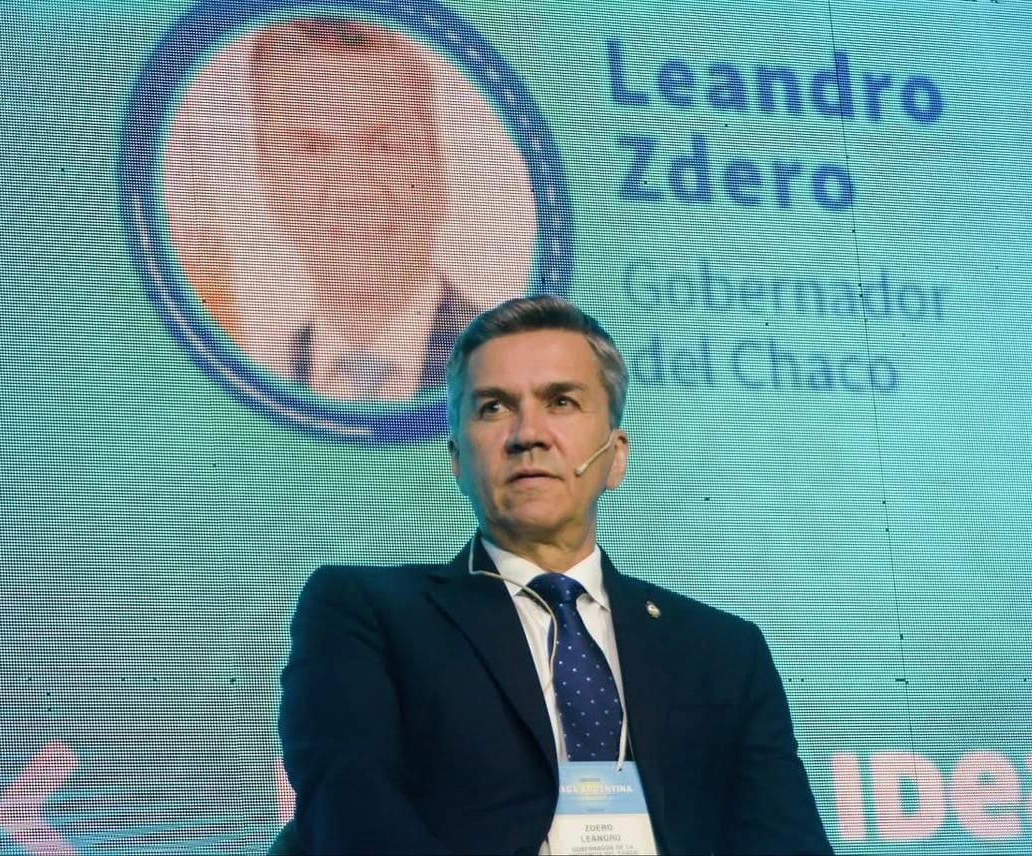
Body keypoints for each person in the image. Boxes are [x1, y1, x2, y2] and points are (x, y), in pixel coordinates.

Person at [273, 295, 832, 854]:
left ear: (615, 456)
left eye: (561, 402)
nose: (528, 434)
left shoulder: (722, 651)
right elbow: (354, 820)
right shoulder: (367, 613)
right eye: (494, 407)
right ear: (458, 459)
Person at [172, 18, 481, 400]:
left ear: (436, 165)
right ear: (268, 176)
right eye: (312, 149)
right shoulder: (243, 382)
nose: (352, 188)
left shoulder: (507, 361)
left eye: (383, 144)